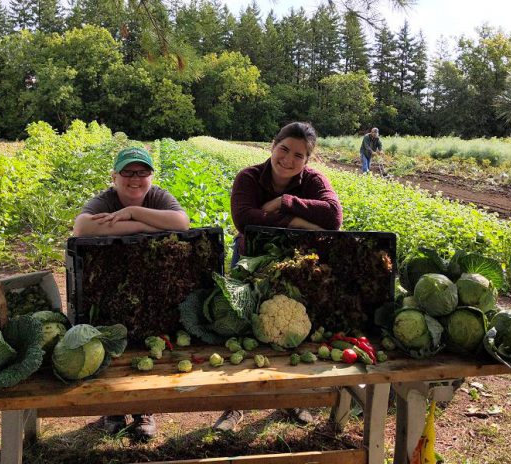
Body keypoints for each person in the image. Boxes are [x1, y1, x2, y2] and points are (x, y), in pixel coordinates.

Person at [213, 121, 343, 432]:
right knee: (245, 328)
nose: (288, 159)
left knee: (292, 329)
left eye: (299, 155)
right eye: (284, 149)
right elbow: (245, 220)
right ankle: (235, 406)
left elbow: (333, 217)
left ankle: (291, 399)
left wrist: (286, 203)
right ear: (273, 145)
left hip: (295, 263)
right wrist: (299, 222)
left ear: (307, 160)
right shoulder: (249, 177)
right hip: (250, 259)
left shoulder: (313, 180)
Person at [73, 146, 190, 440]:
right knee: (111, 343)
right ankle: (113, 409)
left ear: (151, 176)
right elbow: (82, 228)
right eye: (127, 172)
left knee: (146, 343)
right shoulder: (105, 199)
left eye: (142, 172)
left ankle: (143, 410)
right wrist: (144, 227)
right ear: (114, 176)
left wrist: (132, 214)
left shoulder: (158, 196)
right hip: (108, 282)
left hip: (150, 280)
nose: (135, 179)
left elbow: (182, 223)